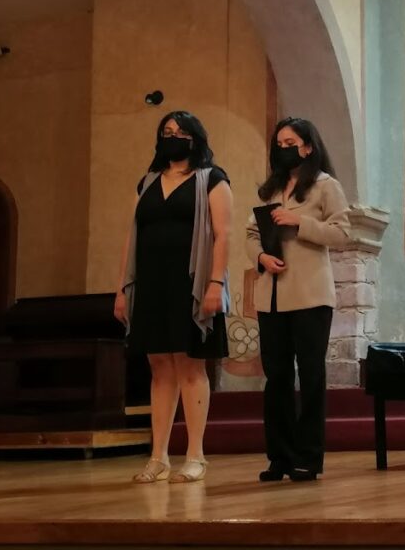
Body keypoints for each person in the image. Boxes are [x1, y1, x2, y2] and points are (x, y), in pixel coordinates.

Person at [114, 111, 232, 483]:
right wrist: (122, 290)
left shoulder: (212, 178)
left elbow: (223, 234)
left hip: (191, 284)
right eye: (166, 131)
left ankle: (195, 455)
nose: (173, 136)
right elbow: (132, 236)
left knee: (189, 366)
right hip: (151, 284)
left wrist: (215, 283)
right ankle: (159, 457)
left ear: (195, 139)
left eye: (180, 132)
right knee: (159, 368)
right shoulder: (147, 182)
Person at [246, 117, 351, 482]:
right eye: (279, 144)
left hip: (310, 296)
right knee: (276, 378)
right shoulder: (271, 189)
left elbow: (342, 233)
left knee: (310, 376)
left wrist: (298, 223)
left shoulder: (325, 185)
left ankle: (308, 457)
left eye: (290, 143)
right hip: (271, 296)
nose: (283, 149)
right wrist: (260, 257)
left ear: (308, 147)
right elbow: (250, 233)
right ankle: (280, 457)